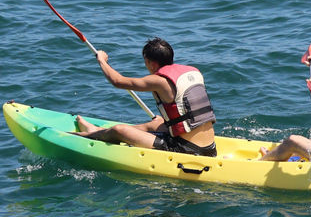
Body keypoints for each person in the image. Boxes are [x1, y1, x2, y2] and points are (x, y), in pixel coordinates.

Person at [74, 37, 218, 157]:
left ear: (152, 63)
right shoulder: (193, 72)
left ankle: (92, 134)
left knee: (120, 130)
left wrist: (102, 60)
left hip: (185, 148)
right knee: (156, 123)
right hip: (209, 145)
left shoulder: (160, 80)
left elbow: (118, 81)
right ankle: (102, 132)